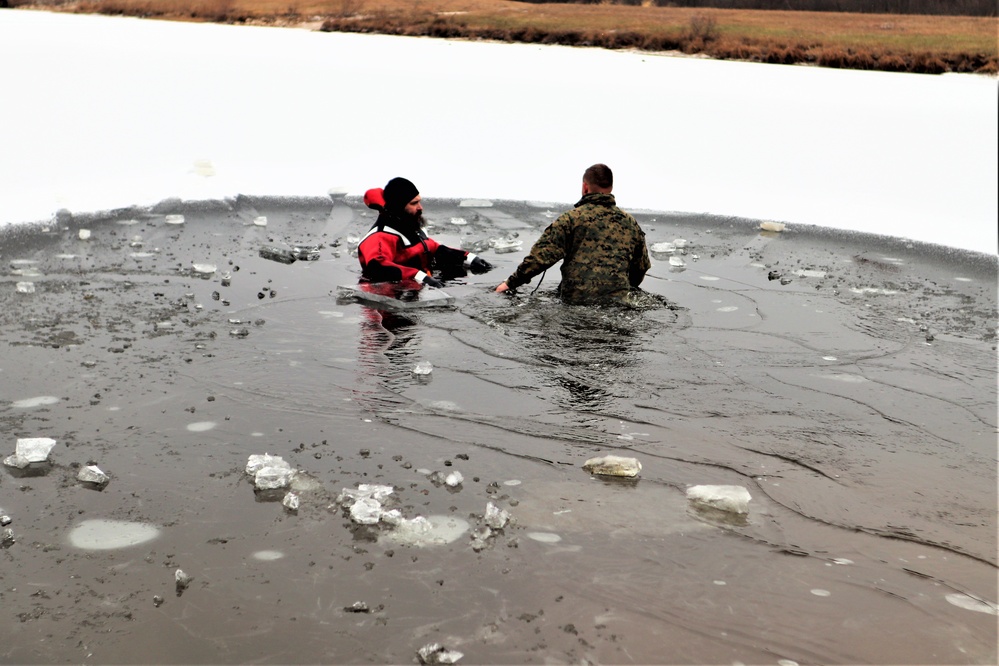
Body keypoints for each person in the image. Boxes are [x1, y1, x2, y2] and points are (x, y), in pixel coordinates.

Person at [495, 164, 651, 304]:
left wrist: (509, 284)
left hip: (576, 302)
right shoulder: (630, 223)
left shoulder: (570, 220)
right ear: (610, 187)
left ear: (585, 187)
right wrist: (620, 288)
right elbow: (641, 268)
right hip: (618, 303)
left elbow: (540, 258)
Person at [358, 177, 492, 287]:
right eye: (414, 203)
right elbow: (377, 267)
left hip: (419, 288)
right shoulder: (378, 237)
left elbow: (434, 248)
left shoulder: (411, 227)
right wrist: (420, 276)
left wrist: (470, 258)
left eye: (419, 202)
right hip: (390, 302)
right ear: (398, 207)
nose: (420, 208)